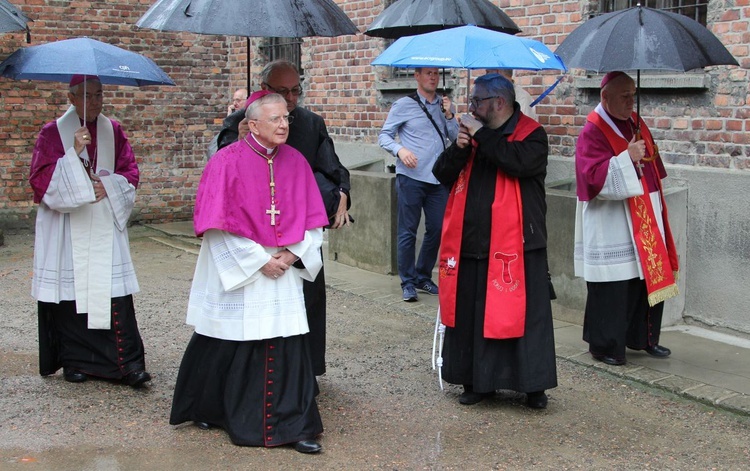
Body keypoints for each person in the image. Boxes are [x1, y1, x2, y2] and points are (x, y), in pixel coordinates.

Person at [169, 91, 330, 453]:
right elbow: (217, 225)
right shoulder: (226, 162)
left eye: (286, 117)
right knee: (230, 339)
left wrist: (290, 255)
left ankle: (293, 424)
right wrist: (260, 260)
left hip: (283, 268)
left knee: (286, 342)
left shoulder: (297, 162)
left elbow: (314, 222)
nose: (284, 124)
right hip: (245, 266)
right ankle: (210, 407)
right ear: (252, 124)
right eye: (275, 119)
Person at [216, 59, 351, 377]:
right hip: (256, 233)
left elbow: (330, 164)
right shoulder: (241, 120)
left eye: (295, 91)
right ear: (264, 89)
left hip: (300, 230)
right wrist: (237, 142)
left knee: (309, 299)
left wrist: (342, 192)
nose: (290, 99)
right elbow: (220, 167)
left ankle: (305, 371)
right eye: (282, 92)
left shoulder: (311, 123)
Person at [432, 73, 557, 409]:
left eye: (477, 101)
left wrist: (481, 136)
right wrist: (459, 149)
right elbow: (441, 174)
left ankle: (533, 386)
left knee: (525, 321)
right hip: (471, 243)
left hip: (518, 245)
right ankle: (477, 382)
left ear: (499, 103)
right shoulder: (472, 138)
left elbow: (515, 162)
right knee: (474, 316)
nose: (471, 108)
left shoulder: (532, 135)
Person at [29, 75, 151, 388]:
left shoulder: (114, 130)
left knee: (115, 296)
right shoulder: (52, 133)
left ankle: (127, 365)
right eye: (88, 96)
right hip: (67, 227)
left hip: (103, 221)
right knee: (71, 297)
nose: (96, 102)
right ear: (71, 98)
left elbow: (130, 172)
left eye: (99, 95)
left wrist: (107, 187)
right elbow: (40, 182)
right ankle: (75, 362)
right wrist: (72, 153)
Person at [574, 71, 678, 366]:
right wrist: (626, 158)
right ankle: (605, 346)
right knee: (614, 287)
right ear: (604, 97)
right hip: (612, 220)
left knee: (643, 279)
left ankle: (643, 339)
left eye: (634, 95)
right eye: (625, 96)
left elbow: (652, 164)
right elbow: (590, 179)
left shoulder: (636, 121)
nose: (631, 101)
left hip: (643, 211)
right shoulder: (592, 130)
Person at [379, 67, 459, 302]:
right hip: (411, 178)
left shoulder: (444, 105)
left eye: (435, 73)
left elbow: (455, 138)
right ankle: (408, 282)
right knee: (408, 231)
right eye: (427, 73)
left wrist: (450, 115)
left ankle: (423, 275)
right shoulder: (404, 104)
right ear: (417, 76)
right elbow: (384, 135)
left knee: (436, 229)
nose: (433, 77)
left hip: (437, 179)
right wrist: (400, 149)